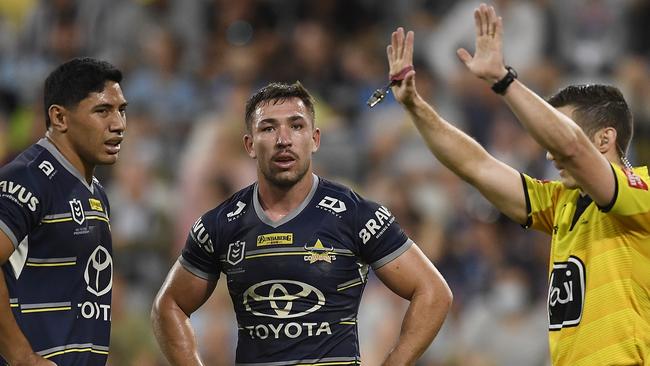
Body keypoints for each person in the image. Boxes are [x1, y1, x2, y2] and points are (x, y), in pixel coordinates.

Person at [388, 3, 649, 365]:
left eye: (554, 136)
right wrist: (416, 106)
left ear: (605, 139)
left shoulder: (643, 193)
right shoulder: (562, 203)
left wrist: (503, 80)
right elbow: (476, 166)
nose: (548, 155)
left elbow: (571, 147)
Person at [151, 82, 452, 365]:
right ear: (249, 145)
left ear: (315, 139)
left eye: (296, 126)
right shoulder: (220, 224)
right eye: (268, 128)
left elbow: (433, 292)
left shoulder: (355, 214)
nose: (284, 140)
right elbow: (168, 306)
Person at [0, 57, 127, 365]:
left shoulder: (96, 192)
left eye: (122, 110)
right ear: (59, 118)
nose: (119, 124)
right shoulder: (27, 179)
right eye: (102, 110)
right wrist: (22, 356)